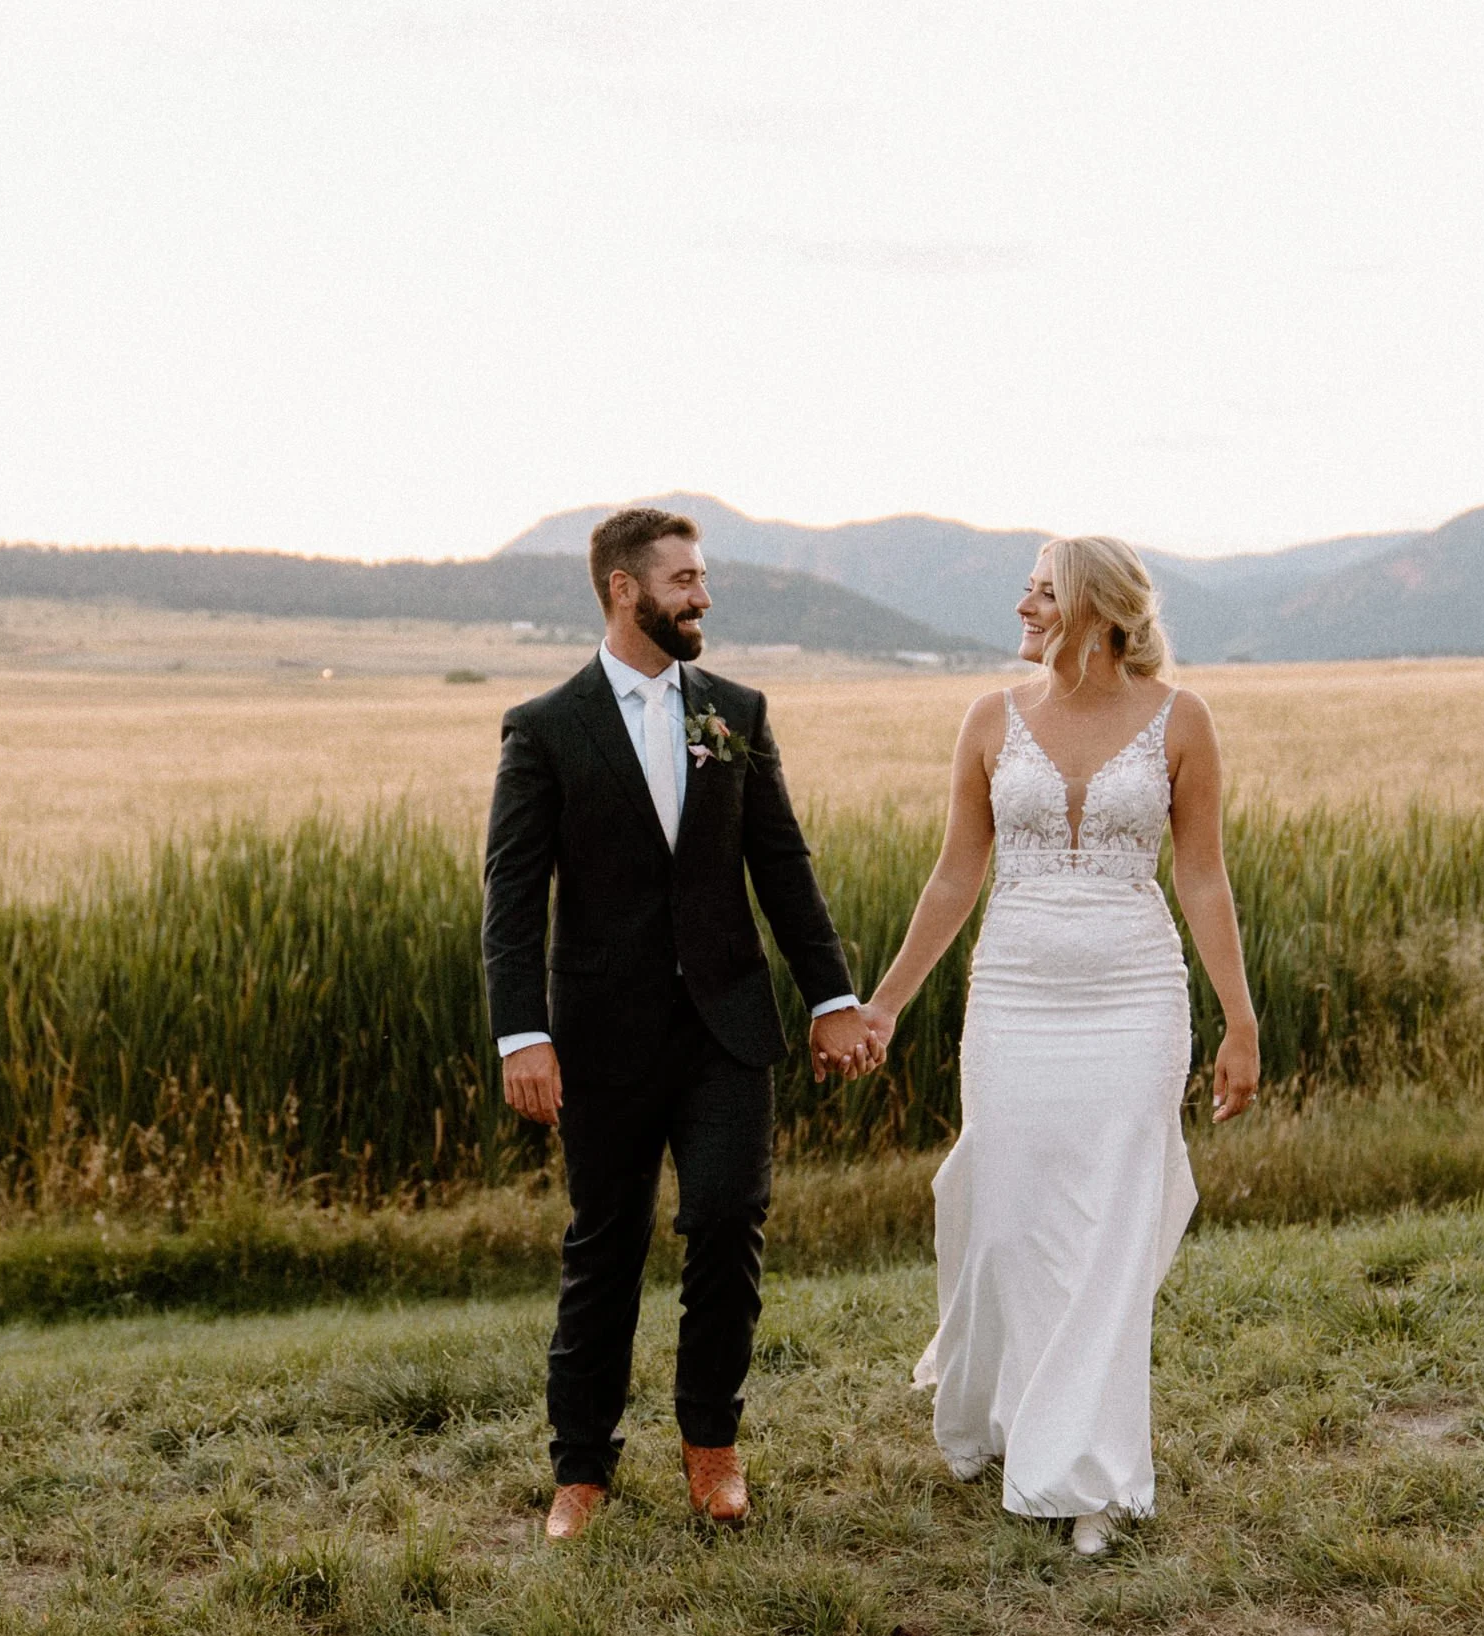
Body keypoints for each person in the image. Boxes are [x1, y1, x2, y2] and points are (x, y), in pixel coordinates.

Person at [482, 507, 882, 1541]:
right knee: (604, 1245)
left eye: (701, 578)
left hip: (726, 1029)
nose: (703, 596)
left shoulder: (734, 712)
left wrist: (831, 998)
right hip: (600, 1037)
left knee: (727, 1221)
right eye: (684, 580)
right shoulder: (544, 727)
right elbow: (512, 897)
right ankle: (581, 1471)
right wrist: (521, 1034)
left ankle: (712, 1446)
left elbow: (782, 865)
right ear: (625, 589)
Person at [857, 535, 1258, 1557]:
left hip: (1134, 996)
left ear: (1096, 610)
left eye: (1041, 593)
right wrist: (887, 1004)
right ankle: (1000, 1406)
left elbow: (1202, 875)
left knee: (1109, 1228)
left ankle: (1090, 1475)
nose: (1023, 607)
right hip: (1016, 996)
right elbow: (956, 875)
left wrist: (1240, 1017)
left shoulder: (1182, 719)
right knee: (1008, 1220)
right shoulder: (990, 719)